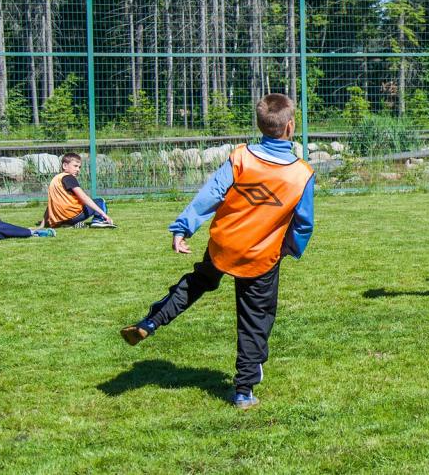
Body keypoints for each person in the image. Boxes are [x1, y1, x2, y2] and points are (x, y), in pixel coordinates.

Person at [120, 94, 315, 410]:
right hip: (261, 255)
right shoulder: (301, 173)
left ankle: (152, 322)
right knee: (255, 319)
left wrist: (183, 227)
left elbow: (210, 194)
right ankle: (243, 390)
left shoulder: (241, 157)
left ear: (259, 125)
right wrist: (291, 249)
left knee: (196, 284)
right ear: (291, 126)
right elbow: (304, 223)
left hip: (224, 244)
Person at [43, 153, 115, 228]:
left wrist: (42, 224)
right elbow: (84, 197)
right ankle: (99, 220)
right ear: (65, 166)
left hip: (61, 219)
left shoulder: (55, 179)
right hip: (72, 216)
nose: (78, 169)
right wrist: (104, 214)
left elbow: (50, 205)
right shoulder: (69, 177)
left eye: (79, 167)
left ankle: (70, 224)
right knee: (100, 201)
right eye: (75, 166)